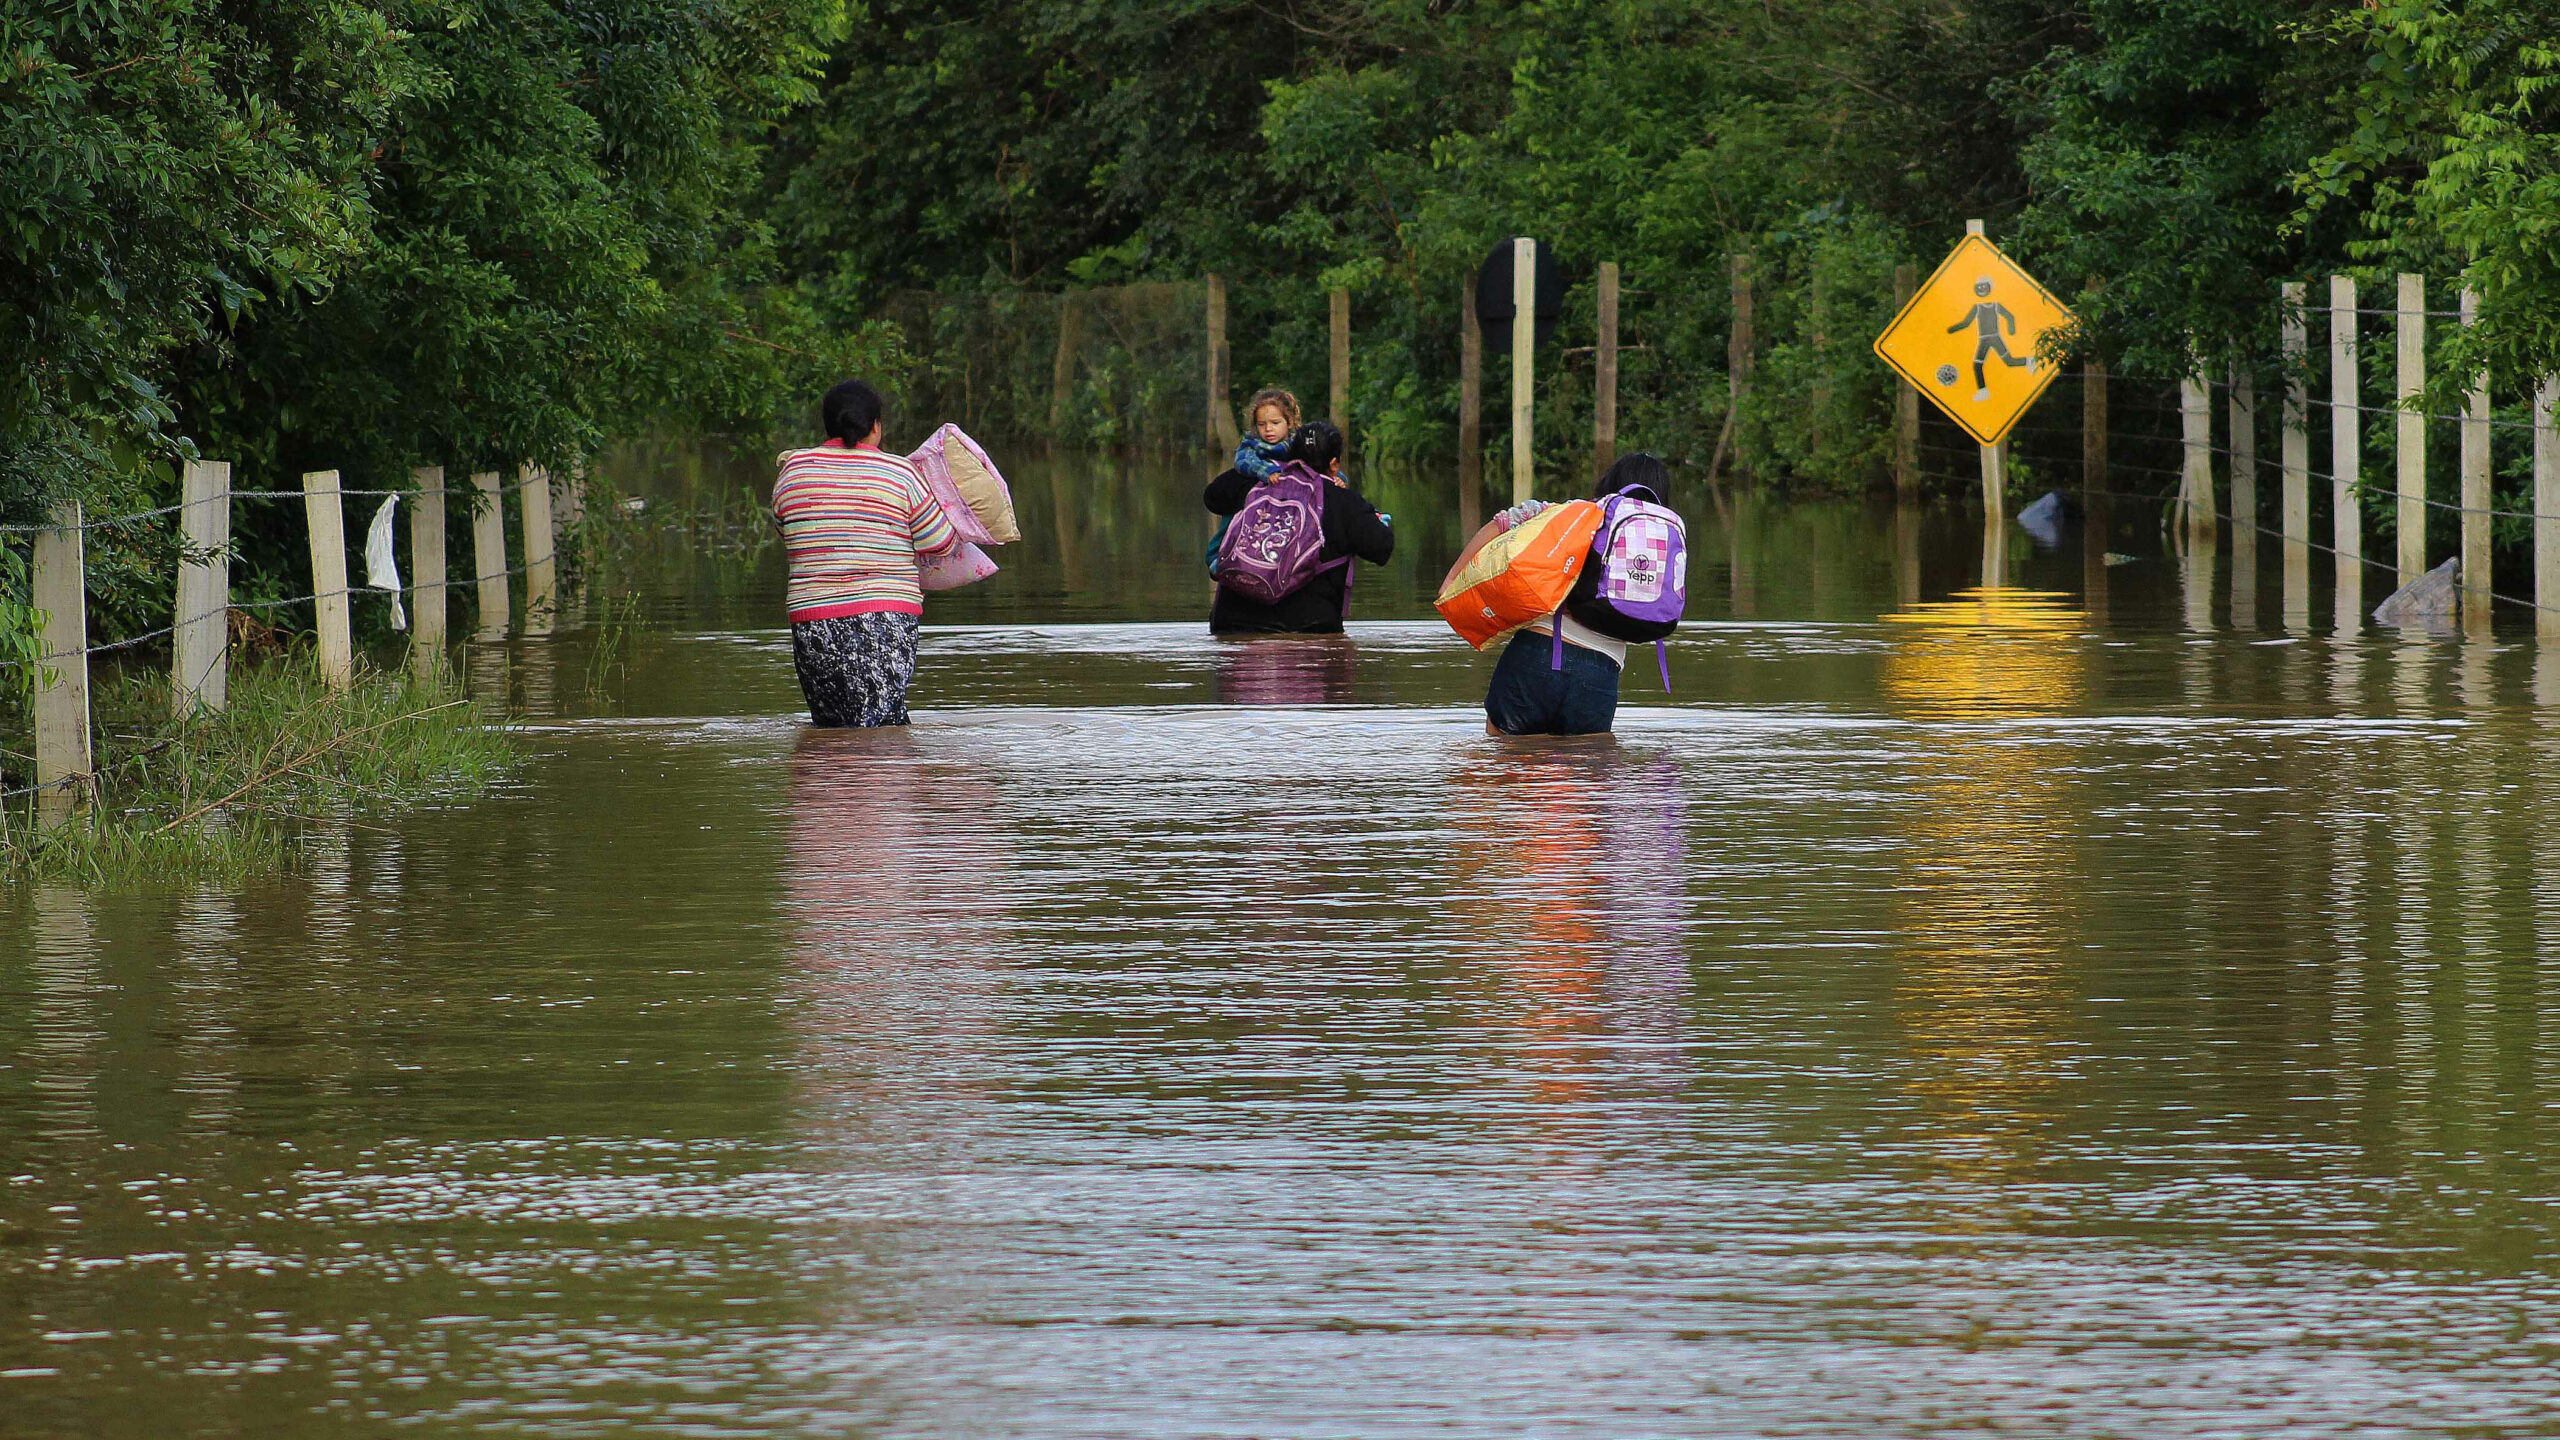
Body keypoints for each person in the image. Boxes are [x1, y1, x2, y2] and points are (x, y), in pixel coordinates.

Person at [771, 379, 960, 727]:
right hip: (886, 619)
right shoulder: (900, 473)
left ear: (828, 424)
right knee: (884, 728)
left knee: (831, 728)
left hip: (814, 622)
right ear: (875, 425)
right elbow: (942, 542)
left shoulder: (793, 471)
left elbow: (786, 530)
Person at [1454, 452, 1676, 737]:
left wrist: (1454, 578)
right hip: (1601, 674)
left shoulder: (1581, 514)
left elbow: (1507, 521)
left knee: (1506, 763)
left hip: (1538, 654)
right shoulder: (1665, 545)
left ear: (1610, 483)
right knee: (1586, 771)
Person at [1203, 420, 1393, 634]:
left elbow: (1212, 497)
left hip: (1232, 625)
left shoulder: (1254, 482)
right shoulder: (1344, 501)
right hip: (1309, 629)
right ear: (1333, 465)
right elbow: (1382, 547)